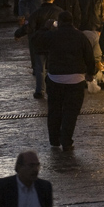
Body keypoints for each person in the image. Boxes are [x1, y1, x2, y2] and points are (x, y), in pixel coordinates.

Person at [34, 11, 96, 151]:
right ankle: (66, 140)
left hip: (55, 78)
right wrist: (90, 73)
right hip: (76, 80)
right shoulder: (80, 37)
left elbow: (36, 41)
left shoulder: (53, 35)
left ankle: (54, 140)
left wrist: (45, 27)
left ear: (59, 22)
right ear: (72, 22)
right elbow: (89, 57)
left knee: (55, 110)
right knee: (71, 112)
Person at [25, 0, 61, 99]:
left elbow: (29, 27)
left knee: (40, 69)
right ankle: (53, 89)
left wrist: (18, 34)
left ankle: (40, 90)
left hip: (40, 44)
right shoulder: (59, 12)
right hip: (54, 44)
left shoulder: (37, 12)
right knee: (53, 68)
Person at [76, 0, 104, 66]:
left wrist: (102, 28)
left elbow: (103, 13)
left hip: (96, 27)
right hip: (84, 27)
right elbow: (78, 12)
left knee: (96, 54)